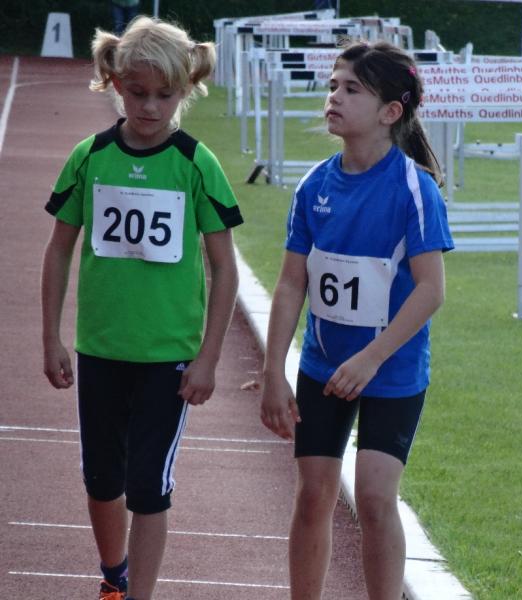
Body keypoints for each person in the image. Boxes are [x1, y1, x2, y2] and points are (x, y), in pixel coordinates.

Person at [41, 16, 242, 600]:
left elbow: (224, 266)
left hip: (167, 356)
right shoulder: (90, 157)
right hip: (101, 346)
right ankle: (114, 576)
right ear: (114, 83)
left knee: (149, 486)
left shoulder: (197, 164)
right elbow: (59, 250)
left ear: (186, 90)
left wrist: (208, 357)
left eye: (165, 95)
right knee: (102, 481)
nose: (151, 107)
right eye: (138, 93)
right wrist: (50, 337)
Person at [260, 40, 453, 600]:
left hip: (391, 369)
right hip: (323, 366)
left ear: (390, 111)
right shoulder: (313, 186)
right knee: (313, 493)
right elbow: (291, 283)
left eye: (351, 89)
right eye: (332, 86)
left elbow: (431, 290)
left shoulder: (414, 188)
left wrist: (371, 358)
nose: (334, 98)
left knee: (373, 496)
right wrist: (273, 371)